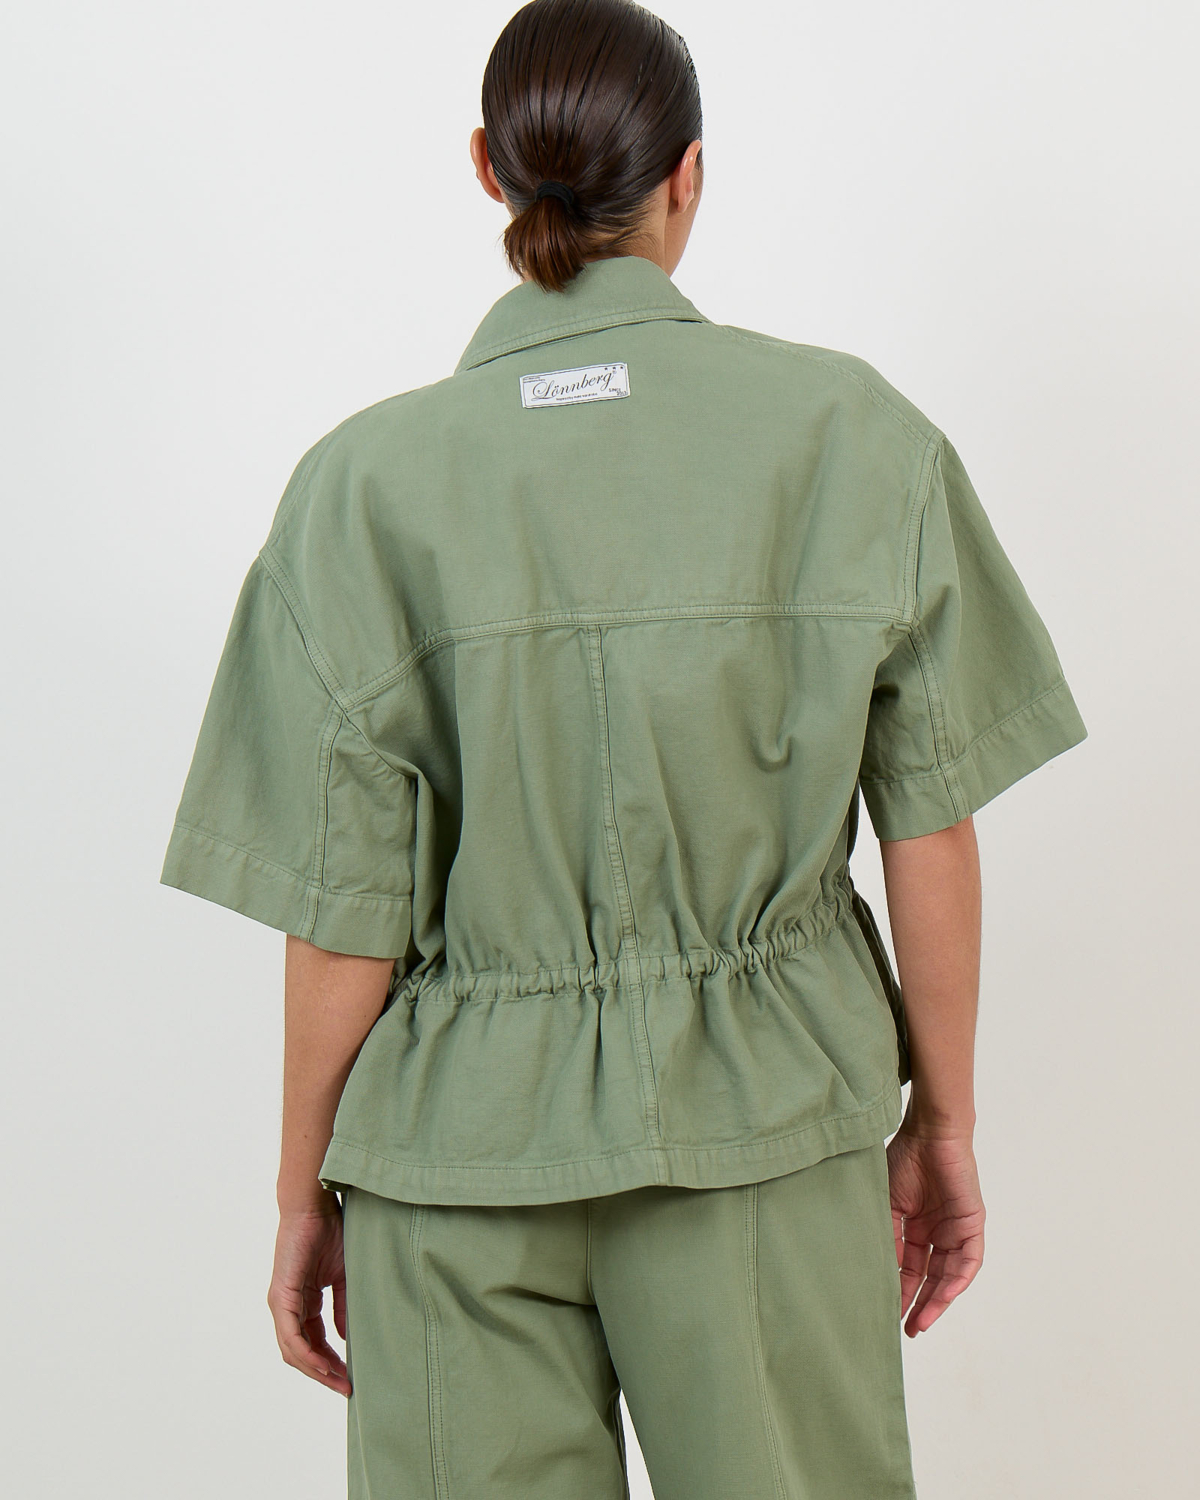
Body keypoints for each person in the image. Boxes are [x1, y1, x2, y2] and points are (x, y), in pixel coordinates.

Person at [158, 1, 1089, 1495]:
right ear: (688, 174)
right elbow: (930, 829)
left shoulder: (357, 488)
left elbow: (342, 915)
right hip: (767, 1132)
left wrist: (302, 1192)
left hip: (452, 1164)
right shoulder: (851, 436)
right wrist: (946, 1119)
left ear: (488, 166)